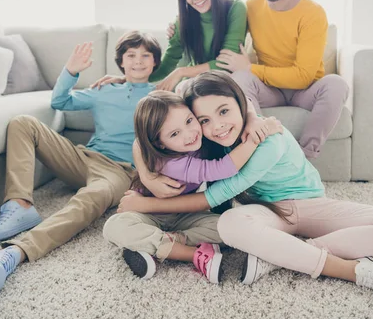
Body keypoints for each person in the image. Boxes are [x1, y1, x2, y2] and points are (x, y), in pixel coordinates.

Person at [117, 72, 373, 304]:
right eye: (204, 120)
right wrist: (146, 173)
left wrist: (146, 204)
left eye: (224, 112)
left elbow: (216, 194)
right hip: (269, 213)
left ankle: (283, 255)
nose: (217, 126)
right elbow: (145, 136)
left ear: (239, 104)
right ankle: (338, 267)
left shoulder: (266, 139)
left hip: (310, 205)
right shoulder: (204, 138)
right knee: (231, 223)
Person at [0, 31, 163, 293]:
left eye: (146, 55)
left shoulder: (161, 95)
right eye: (131, 55)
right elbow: (60, 101)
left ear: (156, 62)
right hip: (83, 157)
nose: (138, 61)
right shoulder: (104, 89)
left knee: (90, 198)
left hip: (120, 171)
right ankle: (19, 205)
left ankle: (15, 253)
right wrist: (70, 71)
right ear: (121, 61)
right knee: (23, 123)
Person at [102, 91, 281, 283]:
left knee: (227, 228)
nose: (189, 134)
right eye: (174, 134)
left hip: (184, 215)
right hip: (147, 213)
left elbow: (237, 95)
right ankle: (194, 255)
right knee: (114, 226)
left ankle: (158, 245)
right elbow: (224, 168)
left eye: (189, 121)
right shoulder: (170, 162)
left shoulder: (200, 136)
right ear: (159, 144)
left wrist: (253, 118)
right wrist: (257, 136)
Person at [211, 0, 349, 159]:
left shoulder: (313, 13)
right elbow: (216, 18)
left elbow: (303, 77)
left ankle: (303, 158)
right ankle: (262, 153)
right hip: (270, 90)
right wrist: (179, 27)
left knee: (337, 84)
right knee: (240, 78)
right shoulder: (252, 5)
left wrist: (251, 68)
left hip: (306, 91)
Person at [91, 0, 247, 92]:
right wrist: (126, 78)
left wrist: (181, 72)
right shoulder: (182, 22)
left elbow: (226, 63)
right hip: (192, 83)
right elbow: (167, 65)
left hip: (226, 79)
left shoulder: (235, 8)